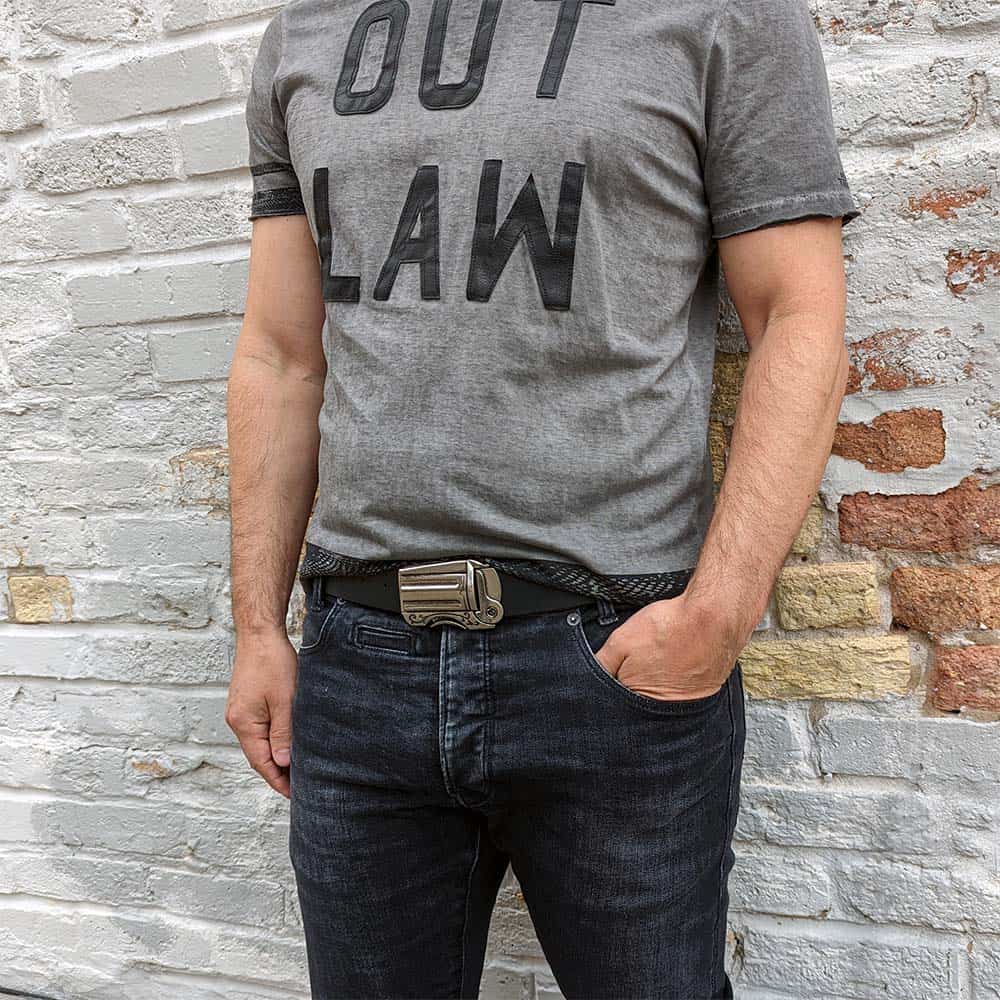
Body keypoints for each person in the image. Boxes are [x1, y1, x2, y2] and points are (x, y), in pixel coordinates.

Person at [224, 1, 858, 997]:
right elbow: (281, 354)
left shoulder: (724, 14)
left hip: (612, 659)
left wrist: (718, 614)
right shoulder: (309, 31)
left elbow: (799, 318)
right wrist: (258, 627)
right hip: (358, 663)